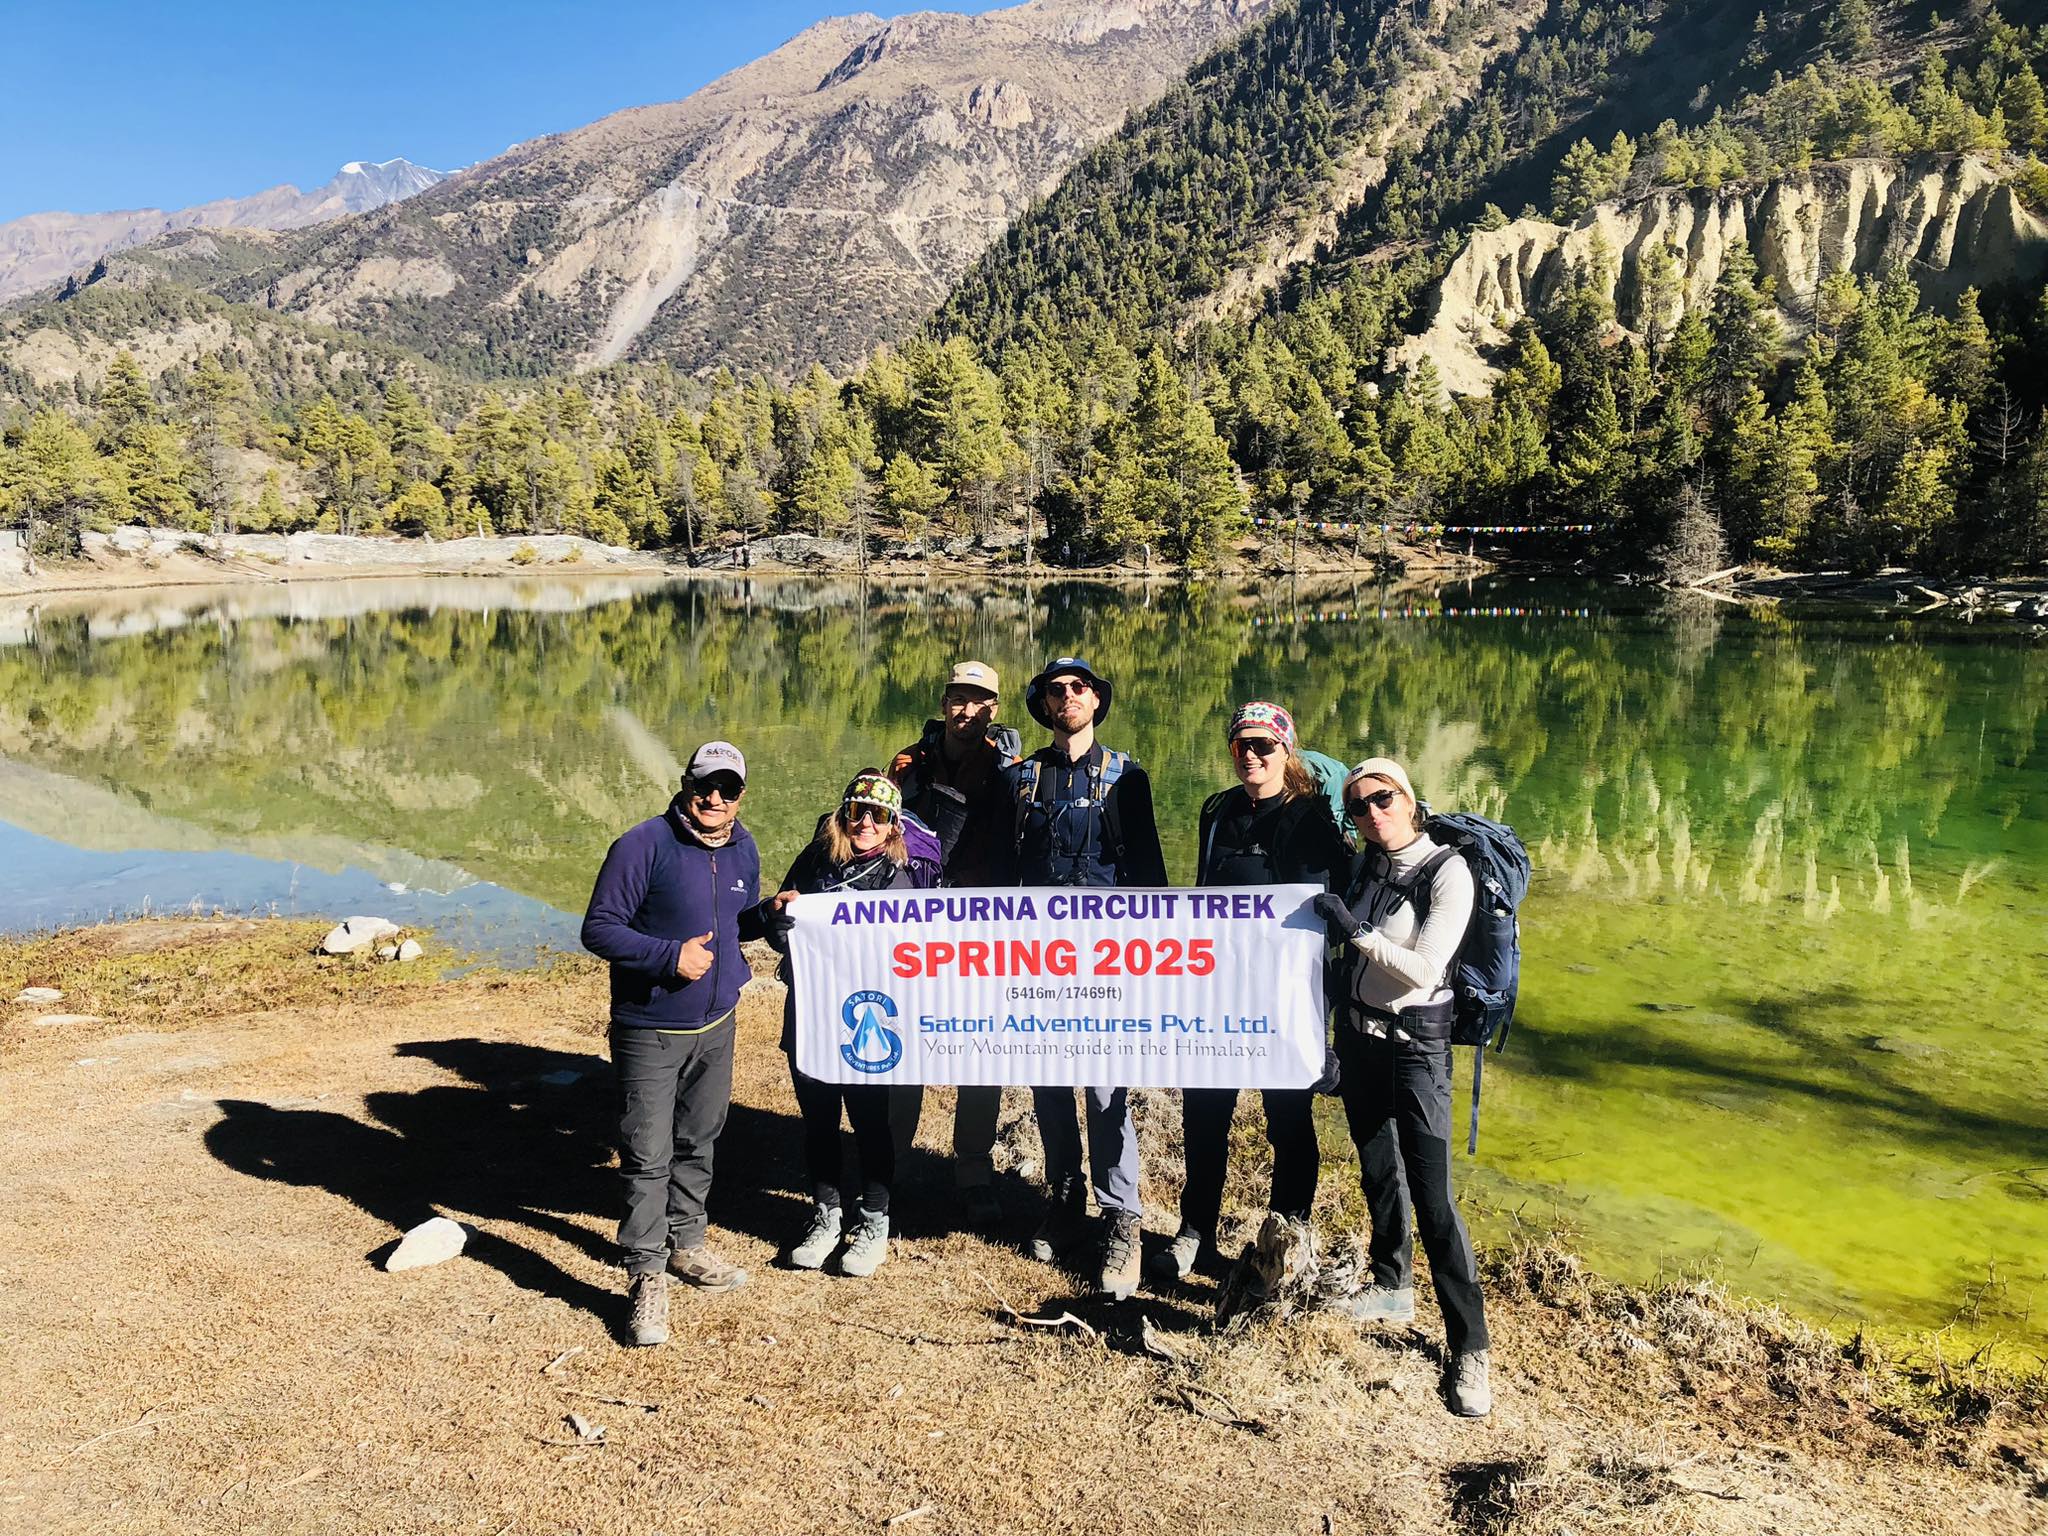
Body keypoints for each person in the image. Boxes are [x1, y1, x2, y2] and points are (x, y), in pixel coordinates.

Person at [1313, 757, 1494, 1418]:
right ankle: (1391, 1284)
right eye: (1358, 807)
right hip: (1359, 1043)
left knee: (1434, 1197)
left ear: (1410, 799)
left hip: (1417, 1050)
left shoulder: (1448, 872)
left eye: (1382, 799)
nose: (1372, 815)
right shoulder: (1368, 864)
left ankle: (1469, 1348)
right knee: (1377, 1172)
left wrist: (1354, 931)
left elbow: (1421, 969)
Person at [1153, 701, 1350, 1283]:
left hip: (1288, 996)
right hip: (1220, 989)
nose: (1252, 755)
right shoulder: (1217, 812)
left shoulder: (1313, 817)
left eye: (1264, 744)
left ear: (1287, 749)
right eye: (1242, 744)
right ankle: (1196, 1232)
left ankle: (1282, 1244)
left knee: (1286, 1117)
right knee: (1204, 1112)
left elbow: (1327, 909)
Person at [581, 740, 761, 1349]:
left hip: (717, 1024)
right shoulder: (643, 844)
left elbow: (739, 922)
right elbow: (598, 927)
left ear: (741, 794)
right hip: (650, 1027)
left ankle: (687, 1244)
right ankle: (644, 1274)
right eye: (704, 785)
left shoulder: (742, 845)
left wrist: (772, 917)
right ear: (686, 783)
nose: (714, 798)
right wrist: (667, 957)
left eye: (728, 789)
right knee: (646, 1152)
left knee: (699, 1139)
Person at [999, 655, 1168, 1300]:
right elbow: (999, 870)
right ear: (1042, 705)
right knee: (1048, 1082)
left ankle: (1121, 1215)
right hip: (1038, 955)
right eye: (1054, 690)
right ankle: (1065, 1198)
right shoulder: (1020, 780)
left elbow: (1149, 875)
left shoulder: (1129, 777)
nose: (1067, 697)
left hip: (1108, 958)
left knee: (1106, 1086)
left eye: (1079, 689)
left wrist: (1153, 958)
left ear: (1097, 700)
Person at [758, 771, 941, 1278]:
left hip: (868, 1018)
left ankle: (874, 1222)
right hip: (812, 1010)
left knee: (869, 1121)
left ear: (893, 825)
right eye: (856, 812)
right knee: (817, 1119)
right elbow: (775, 926)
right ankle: (825, 1216)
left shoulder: (900, 879)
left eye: (877, 815)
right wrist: (776, 921)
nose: (865, 822)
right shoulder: (815, 861)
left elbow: (919, 954)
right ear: (841, 816)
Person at [887, 660, 1022, 1228]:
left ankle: (973, 1167)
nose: (967, 711)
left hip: (983, 929)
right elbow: (874, 833)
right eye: (958, 699)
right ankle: (888, 1165)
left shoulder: (1013, 769)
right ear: (944, 703)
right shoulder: (907, 764)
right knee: (903, 1040)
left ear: (994, 708)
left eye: (980, 701)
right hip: (914, 925)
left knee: (981, 1048)